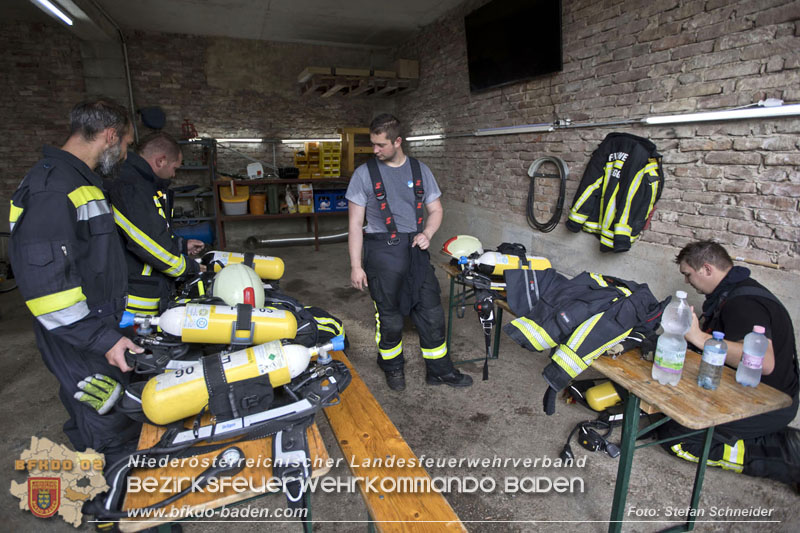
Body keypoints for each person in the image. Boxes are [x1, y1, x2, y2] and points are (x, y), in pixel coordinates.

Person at [8, 97, 143, 465]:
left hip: (94, 324)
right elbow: (47, 288)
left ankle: (102, 498)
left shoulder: (77, 180)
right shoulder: (52, 189)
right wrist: (102, 338)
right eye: (127, 144)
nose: (126, 153)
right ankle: (124, 515)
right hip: (80, 333)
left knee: (92, 415)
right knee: (110, 421)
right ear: (110, 136)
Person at [346, 113, 472, 391]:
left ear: (398, 141)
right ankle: (392, 367)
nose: (375, 150)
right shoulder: (364, 174)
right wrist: (356, 265)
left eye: (381, 145)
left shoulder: (420, 170)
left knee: (432, 313)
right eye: (373, 144)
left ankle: (439, 370)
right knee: (390, 319)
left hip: (415, 251)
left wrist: (427, 233)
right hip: (382, 252)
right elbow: (355, 224)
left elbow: (436, 209)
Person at [659, 240, 800, 484]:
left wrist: (701, 339)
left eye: (688, 274)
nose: (687, 281)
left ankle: (788, 456)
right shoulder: (729, 295)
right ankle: (763, 437)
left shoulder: (743, 303)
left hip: (769, 403)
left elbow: (764, 363)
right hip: (745, 392)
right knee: (667, 418)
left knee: (677, 439)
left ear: (706, 269)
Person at [108, 132, 204, 315]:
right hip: (134, 299)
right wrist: (190, 267)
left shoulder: (145, 184)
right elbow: (148, 243)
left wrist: (181, 245)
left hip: (145, 287)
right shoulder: (132, 185)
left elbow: (152, 230)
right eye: (174, 168)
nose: (174, 174)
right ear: (161, 160)